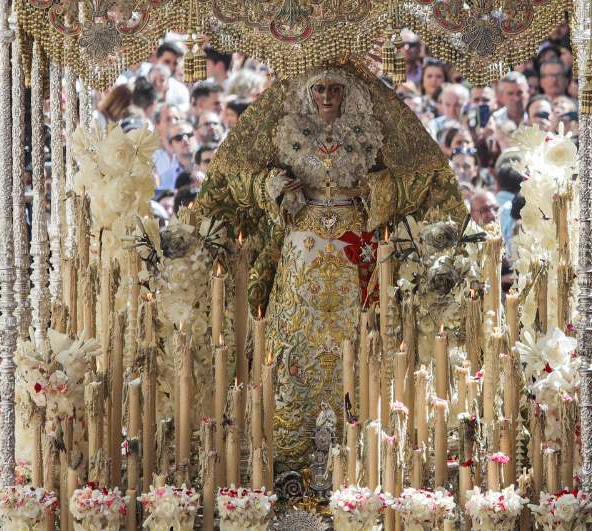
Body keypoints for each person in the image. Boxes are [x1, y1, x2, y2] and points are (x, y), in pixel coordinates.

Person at [197, 64, 465, 473]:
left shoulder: (367, 130)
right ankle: (288, 439)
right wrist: (272, 187)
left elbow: (415, 181)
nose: (326, 96)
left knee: (358, 332)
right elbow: (239, 175)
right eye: (319, 89)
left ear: (347, 94)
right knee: (294, 335)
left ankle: (360, 435)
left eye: (334, 89)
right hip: (301, 245)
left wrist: (373, 190)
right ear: (307, 93)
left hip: (353, 247)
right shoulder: (286, 128)